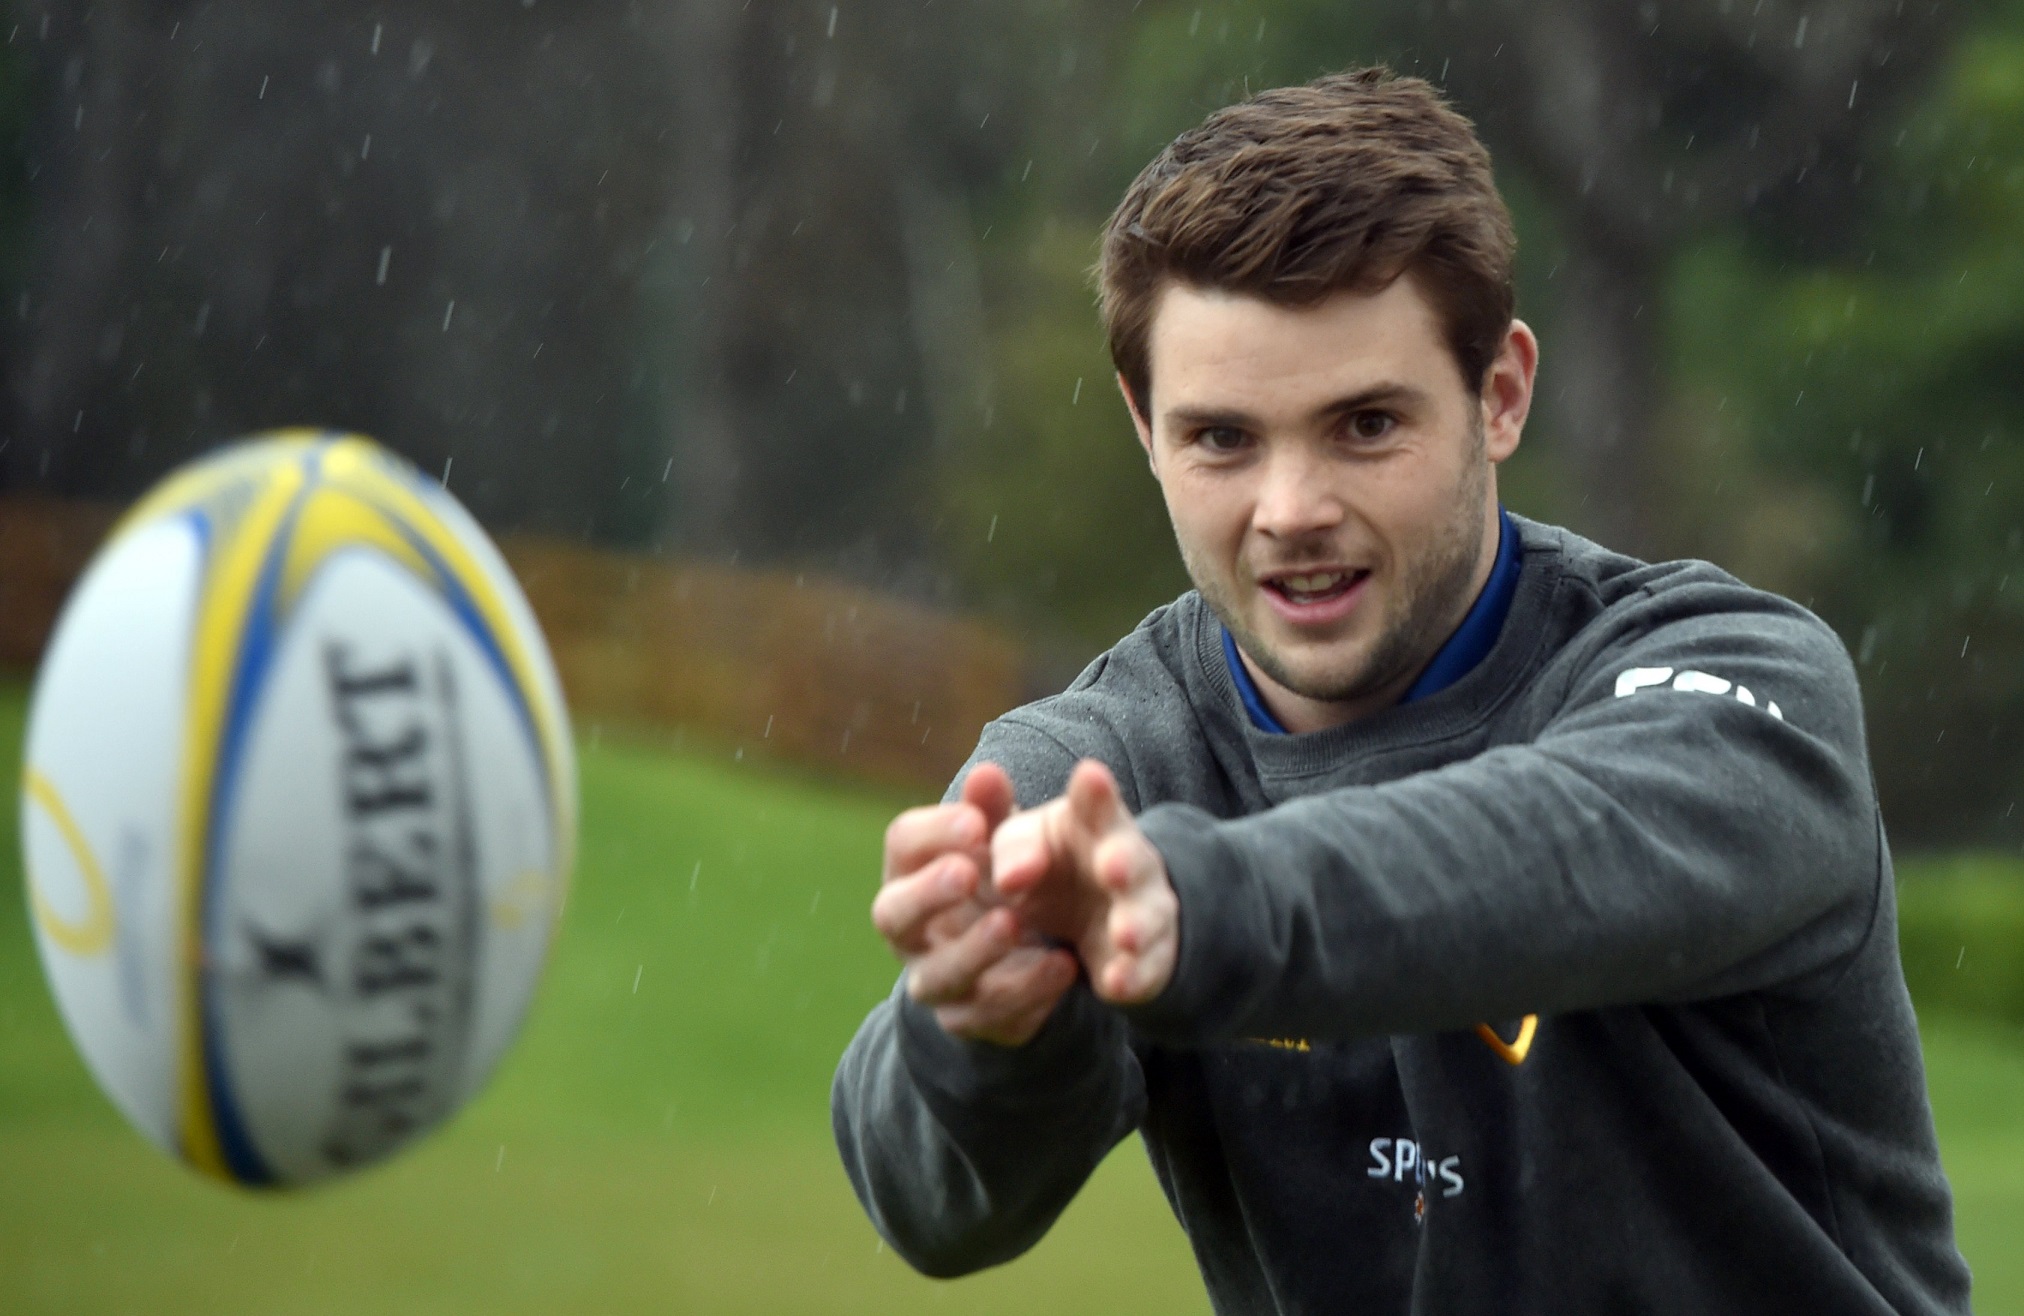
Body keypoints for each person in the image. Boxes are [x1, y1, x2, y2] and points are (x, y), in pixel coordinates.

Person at [830, 66, 1972, 1313]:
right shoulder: (1102, 765)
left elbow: (1552, 853)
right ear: (1142, 426)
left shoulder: (1742, 681)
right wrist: (984, 1033)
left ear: (1500, 394)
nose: (1291, 511)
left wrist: (1203, 905)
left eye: (1365, 424)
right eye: (1221, 438)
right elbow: (928, 1201)